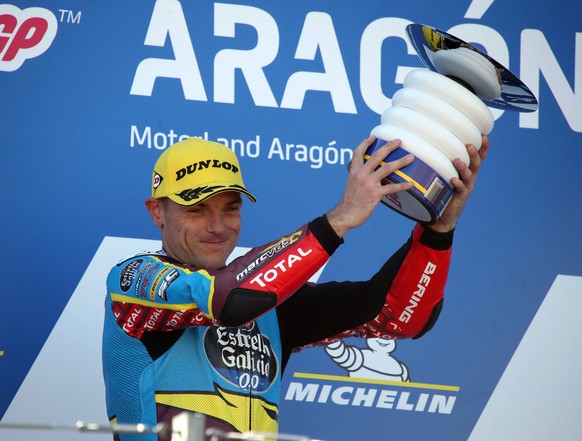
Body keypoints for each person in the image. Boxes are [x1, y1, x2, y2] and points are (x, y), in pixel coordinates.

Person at [102, 134, 489, 441]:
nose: (218, 226)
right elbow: (227, 300)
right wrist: (339, 220)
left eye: (230, 208)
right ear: (157, 212)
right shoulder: (135, 281)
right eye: (196, 209)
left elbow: (400, 315)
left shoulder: (273, 306)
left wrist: (436, 230)